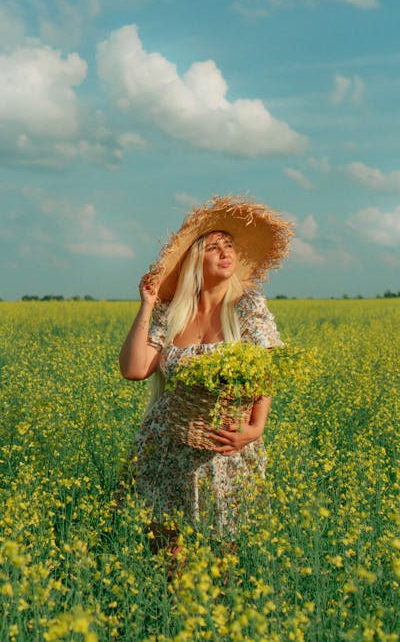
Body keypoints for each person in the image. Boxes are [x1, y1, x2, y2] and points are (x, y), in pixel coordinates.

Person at [117, 196, 293, 558]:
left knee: (221, 556)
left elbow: (267, 370)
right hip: (165, 444)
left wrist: (256, 427)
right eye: (214, 248)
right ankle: (172, 614)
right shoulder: (173, 313)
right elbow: (134, 369)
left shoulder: (247, 305)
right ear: (196, 260)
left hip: (223, 444)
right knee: (168, 555)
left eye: (228, 246)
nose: (225, 253)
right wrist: (147, 305)